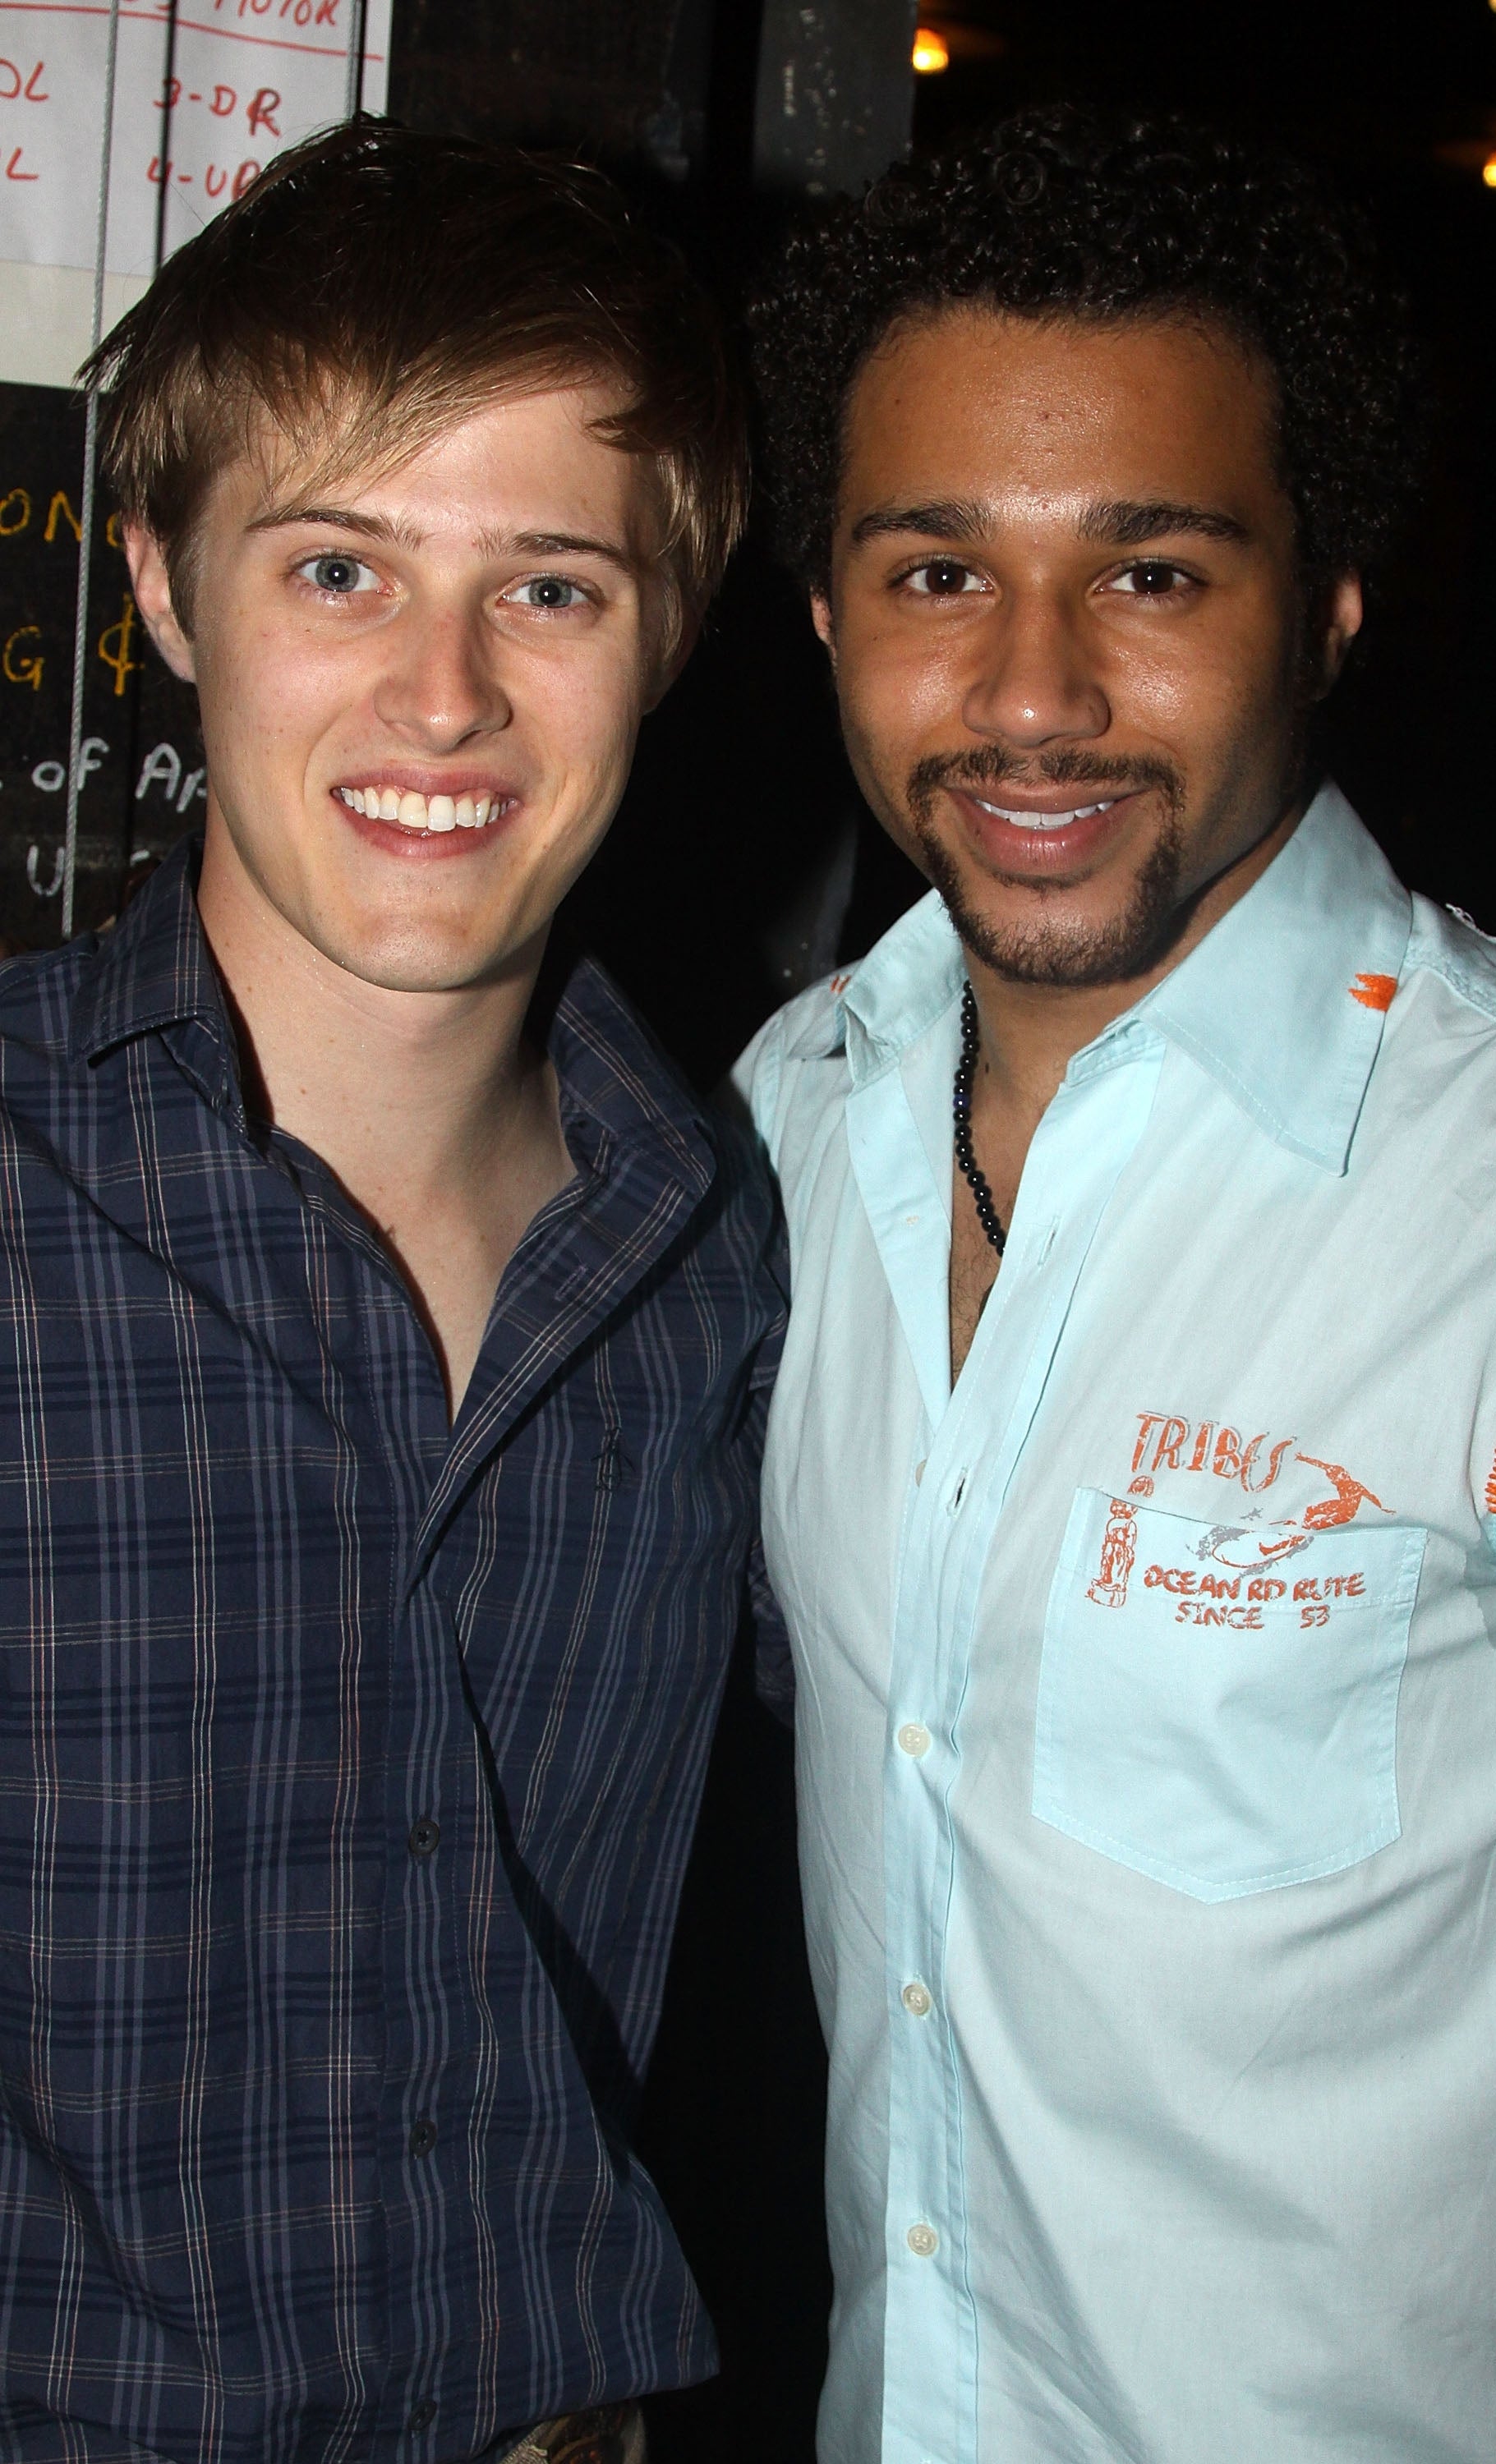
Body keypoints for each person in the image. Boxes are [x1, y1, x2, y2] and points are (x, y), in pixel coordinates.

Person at [737, 106, 1496, 2462]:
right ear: (825, 617)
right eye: (937, 575)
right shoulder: (783, 1120)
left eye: (1155, 574)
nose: (1037, 695)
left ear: (1331, 596)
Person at [0, 121, 783, 2464]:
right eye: (338, 568)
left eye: (550, 588)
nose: (444, 698)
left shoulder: (733, 1242)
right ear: (159, 585)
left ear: (672, 622)